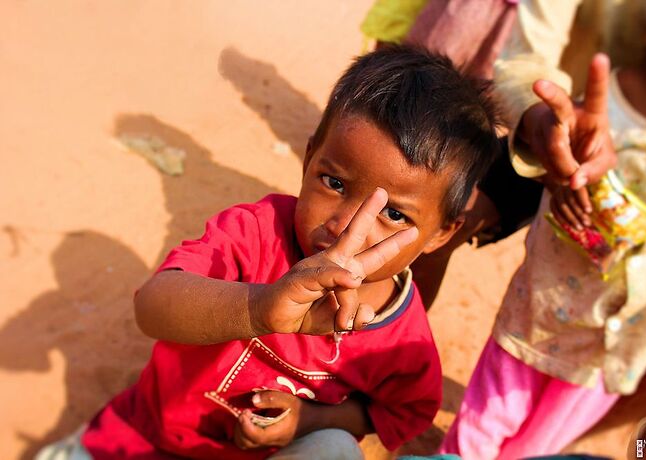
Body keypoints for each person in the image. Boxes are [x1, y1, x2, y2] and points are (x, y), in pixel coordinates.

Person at [37, 45, 502, 459]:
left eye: (394, 215)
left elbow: (406, 412)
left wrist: (311, 421)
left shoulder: (404, 342)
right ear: (308, 159)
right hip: (145, 436)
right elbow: (152, 306)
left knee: (336, 450)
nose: (346, 228)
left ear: (443, 232)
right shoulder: (257, 232)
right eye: (334, 183)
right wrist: (257, 308)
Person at [440, 1, 646, 458]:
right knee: (473, 439)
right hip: (539, 320)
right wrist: (555, 142)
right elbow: (525, 63)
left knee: (535, 451)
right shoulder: (613, 108)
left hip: (616, 356)